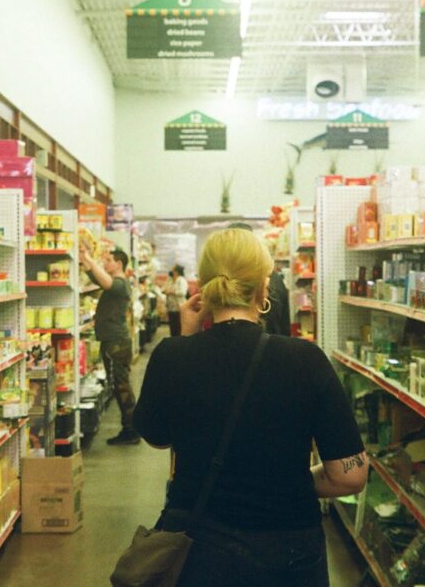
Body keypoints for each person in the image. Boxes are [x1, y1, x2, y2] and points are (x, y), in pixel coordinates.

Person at [133, 228, 368, 587]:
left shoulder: (172, 355)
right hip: (288, 552)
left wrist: (184, 338)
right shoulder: (304, 360)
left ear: (203, 288)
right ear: (263, 288)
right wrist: (288, 482)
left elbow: (157, 436)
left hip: (198, 551)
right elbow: (350, 475)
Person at [80, 245, 139, 446]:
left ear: (119, 264)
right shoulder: (116, 283)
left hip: (116, 342)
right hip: (112, 341)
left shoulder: (121, 284)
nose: (105, 263)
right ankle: (130, 428)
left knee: (121, 386)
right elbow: (98, 278)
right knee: (119, 384)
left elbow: (104, 281)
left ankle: (131, 430)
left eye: (109, 261)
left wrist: (89, 257)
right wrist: (85, 260)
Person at [225, 222, 290, 336]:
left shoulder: (225, 280)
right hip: (274, 342)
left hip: (237, 343)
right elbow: (284, 323)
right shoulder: (273, 277)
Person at [164, 265, 188, 337]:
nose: (171, 271)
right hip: (171, 308)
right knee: (172, 327)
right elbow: (165, 288)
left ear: (176, 272)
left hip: (179, 308)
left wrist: (171, 292)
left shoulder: (181, 280)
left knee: (178, 327)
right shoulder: (170, 280)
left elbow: (182, 292)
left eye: (172, 270)